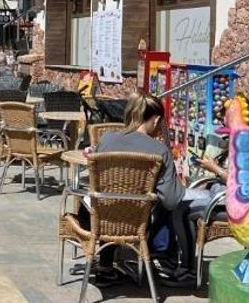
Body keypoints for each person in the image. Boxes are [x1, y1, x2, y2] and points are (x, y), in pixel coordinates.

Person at [74, 92, 186, 284]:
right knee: (160, 205)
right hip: (137, 222)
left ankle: (105, 266)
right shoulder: (159, 150)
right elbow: (172, 200)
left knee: (112, 199)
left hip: (96, 219)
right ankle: (161, 259)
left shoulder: (107, 139)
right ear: (157, 119)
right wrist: (180, 183)